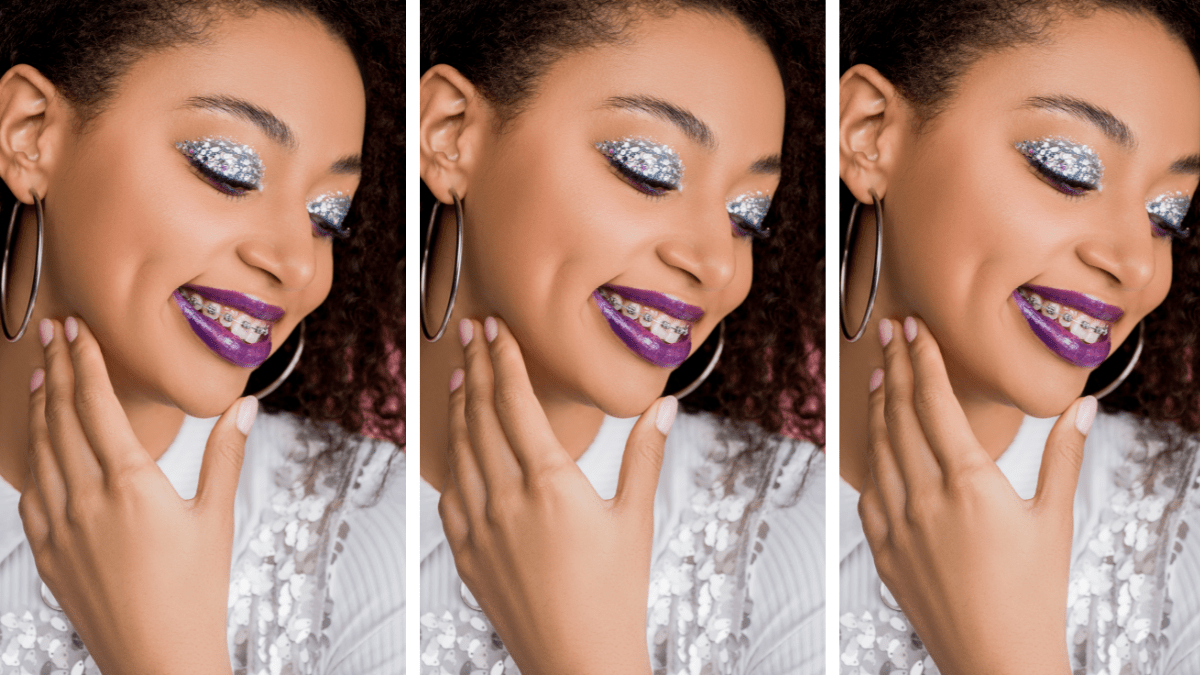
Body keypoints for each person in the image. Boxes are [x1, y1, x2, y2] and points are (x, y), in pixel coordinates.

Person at [418, 0, 824, 673]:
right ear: (451, 133)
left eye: (747, 214)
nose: (717, 262)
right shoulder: (292, 508)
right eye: (649, 169)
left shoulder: (788, 529)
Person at [0, 1, 404, 673]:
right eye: (229, 169)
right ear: (30, 133)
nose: (297, 262)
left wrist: (160, 650)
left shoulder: (368, 524)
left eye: (328, 214)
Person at [838, 0, 1200, 673]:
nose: (1137, 263)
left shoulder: (1181, 529)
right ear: (869, 133)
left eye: (1166, 214)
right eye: (1068, 169)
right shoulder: (687, 504)